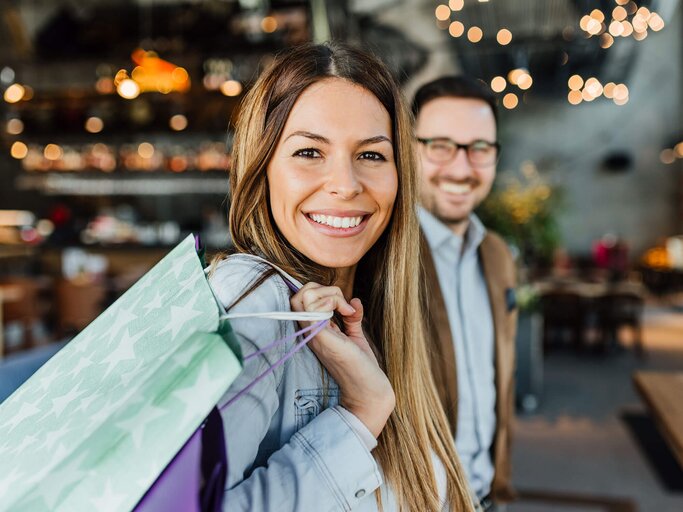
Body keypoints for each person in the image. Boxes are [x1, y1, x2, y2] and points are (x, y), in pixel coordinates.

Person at [209, 43, 475, 511]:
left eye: (371, 156)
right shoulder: (251, 301)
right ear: (262, 168)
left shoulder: (379, 315)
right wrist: (359, 415)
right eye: (309, 151)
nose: (346, 184)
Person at [412, 76, 518, 511]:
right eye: (440, 145)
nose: (461, 168)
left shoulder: (497, 255)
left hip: (488, 497)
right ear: (409, 149)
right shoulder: (378, 259)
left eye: (479, 149)